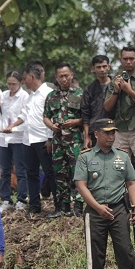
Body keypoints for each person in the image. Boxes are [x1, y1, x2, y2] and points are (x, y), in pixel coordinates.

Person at [74, 118, 135, 269]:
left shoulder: (122, 156)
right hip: (95, 211)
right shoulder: (85, 157)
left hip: (118, 209)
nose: (111, 136)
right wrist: (97, 207)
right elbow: (81, 185)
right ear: (96, 134)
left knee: (126, 252)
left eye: (113, 132)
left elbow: (131, 183)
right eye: (107, 132)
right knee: (95, 255)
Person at [5, 61, 58, 215]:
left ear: (32, 76)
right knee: (31, 173)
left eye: (25, 78)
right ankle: (34, 205)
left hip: (43, 139)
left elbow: (53, 117)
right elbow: (24, 116)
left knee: (50, 173)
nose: (23, 82)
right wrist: (12, 126)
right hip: (28, 140)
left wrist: (50, 138)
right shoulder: (30, 96)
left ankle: (59, 205)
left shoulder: (48, 93)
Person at [104, 46, 135, 192]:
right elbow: (107, 107)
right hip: (120, 130)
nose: (128, 62)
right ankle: (121, 202)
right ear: (120, 60)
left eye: (131, 59)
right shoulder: (115, 80)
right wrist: (116, 91)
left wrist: (129, 90)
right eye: (125, 59)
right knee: (117, 169)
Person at [43, 63, 85, 218]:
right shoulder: (51, 96)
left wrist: (76, 122)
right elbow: (45, 116)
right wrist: (51, 126)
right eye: (61, 76)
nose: (64, 78)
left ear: (71, 75)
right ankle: (64, 207)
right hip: (58, 141)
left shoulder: (80, 93)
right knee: (60, 174)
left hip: (75, 141)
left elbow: (86, 117)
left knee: (78, 173)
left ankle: (79, 206)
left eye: (67, 75)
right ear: (56, 78)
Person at [0, 71, 28, 213]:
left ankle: (21, 199)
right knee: (4, 170)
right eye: (9, 83)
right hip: (4, 137)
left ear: (20, 83)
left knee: (20, 170)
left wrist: (13, 127)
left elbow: (24, 116)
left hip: (18, 137)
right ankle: (6, 199)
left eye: (14, 84)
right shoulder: (4, 95)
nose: (11, 86)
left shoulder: (24, 96)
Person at [82, 55, 113, 148]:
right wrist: (87, 137)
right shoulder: (89, 90)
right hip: (96, 132)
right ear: (93, 69)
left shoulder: (117, 85)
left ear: (109, 67)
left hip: (115, 130)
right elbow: (85, 115)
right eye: (98, 67)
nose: (102, 69)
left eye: (104, 66)